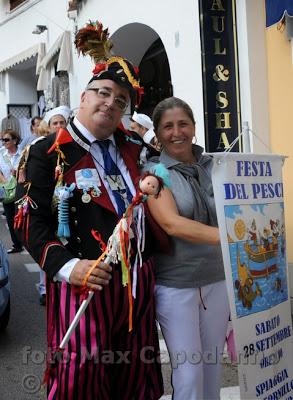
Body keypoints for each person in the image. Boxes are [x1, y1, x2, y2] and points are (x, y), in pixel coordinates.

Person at [15, 20, 163, 400]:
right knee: (81, 378)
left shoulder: (133, 146)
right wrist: (69, 267)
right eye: (103, 93)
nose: (110, 104)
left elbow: (175, 160)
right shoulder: (46, 152)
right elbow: (29, 220)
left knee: (136, 375)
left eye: (120, 101)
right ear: (83, 96)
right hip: (84, 283)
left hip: (136, 283)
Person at [144, 97, 230, 400]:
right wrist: (232, 236)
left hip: (218, 280)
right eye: (168, 126)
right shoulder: (153, 174)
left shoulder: (216, 166)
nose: (176, 132)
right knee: (189, 372)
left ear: (194, 128)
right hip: (177, 285)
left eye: (183, 124)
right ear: (157, 133)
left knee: (212, 366)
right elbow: (172, 224)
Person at [0, 129, 23, 253]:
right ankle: (17, 245)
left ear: (15, 140)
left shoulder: (22, 153)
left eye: (7, 139)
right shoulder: (1, 154)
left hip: (20, 189)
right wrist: (4, 181)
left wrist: (18, 172)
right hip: (7, 190)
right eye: (2, 140)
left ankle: (26, 241)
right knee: (10, 218)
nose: (4, 142)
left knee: (22, 217)